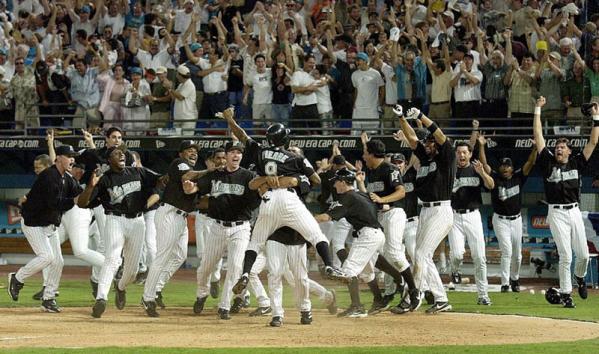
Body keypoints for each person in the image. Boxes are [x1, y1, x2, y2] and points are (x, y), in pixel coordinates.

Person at [218, 107, 346, 293]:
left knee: (255, 243)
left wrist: (230, 120)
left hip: (268, 200)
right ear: (285, 140)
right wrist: (299, 175)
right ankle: (328, 265)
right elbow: (316, 180)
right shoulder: (296, 157)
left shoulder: (261, 152)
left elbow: (243, 135)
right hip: (289, 199)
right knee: (317, 235)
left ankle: (245, 274)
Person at [77, 145, 160, 318]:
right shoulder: (105, 179)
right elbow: (82, 203)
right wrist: (91, 187)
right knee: (112, 259)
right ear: (109, 160)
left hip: (138, 222)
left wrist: (177, 174)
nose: (121, 154)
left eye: (122, 153)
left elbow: (160, 181)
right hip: (115, 220)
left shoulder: (137, 172)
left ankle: (120, 287)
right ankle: (101, 299)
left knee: (132, 271)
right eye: (116, 153)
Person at [533, 97, 598, 308]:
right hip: (557, 212)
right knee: (565, 255)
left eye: (563, 147)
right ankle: (566, 294)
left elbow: (593, 142)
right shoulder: (548, 162)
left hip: (574, 212)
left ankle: (580, 278)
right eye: (558, 147)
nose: (559, 149)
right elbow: (538, 136)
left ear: (569, 151)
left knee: (584, 255)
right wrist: (537, 110)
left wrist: (596, 117)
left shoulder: (577, 162)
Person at [314, 168, 405, 318]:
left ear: (343, 182)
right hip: (374, 234)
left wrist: (305, 220)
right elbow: (381, 206)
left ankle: (357, 306)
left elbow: (326, 217)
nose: (335, 186)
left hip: (368, 235)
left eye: (336, 182)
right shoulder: (361, 194)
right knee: (366, 272)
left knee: (349, 270)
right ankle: (395, 285)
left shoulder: (346, 198)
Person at [187, 141, 258, 320]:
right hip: (217, 227)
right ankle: (202, 294)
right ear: (225, 156)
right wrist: (191, 188)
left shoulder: (249, 176)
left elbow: (256, 199)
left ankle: (224, 305)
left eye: (239, 152)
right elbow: (198, 188)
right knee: (205, 268)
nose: (236, 155)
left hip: (240, 228)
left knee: (234, 267)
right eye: (232, 152)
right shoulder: (215, 175)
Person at [8, 145, 82, 313]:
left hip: (49, 224)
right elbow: (55, 204)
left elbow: (80, 193)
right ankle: (17, 278)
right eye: (69, 156)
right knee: (47, 257)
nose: (72, 159)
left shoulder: (67, 178)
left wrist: (94, 188)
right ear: (59, 158)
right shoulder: (48, 177)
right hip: (33, 223)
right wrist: (75, 201)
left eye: (73, 156)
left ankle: (48, 298)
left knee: (58, 261)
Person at [395, 104, 455, 314]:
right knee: (423, 256)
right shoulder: (426, 157)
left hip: (441, 210)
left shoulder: (446, 156)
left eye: (429, 142)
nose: (426, 144)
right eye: (426, 142)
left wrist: (421, 116)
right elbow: (412, 139)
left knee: (420, 253)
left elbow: (439, 134)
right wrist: (402, 117)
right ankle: (441, 299)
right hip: (426, 212)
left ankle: (414, 296)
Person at [141, 140, 208, 317]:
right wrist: (210, 171)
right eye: (189, 150)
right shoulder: (179, 164)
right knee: (162, 256)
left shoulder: (193, 170)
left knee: (179, 256)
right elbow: (188, 176)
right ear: (181, 153)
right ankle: (148, 298)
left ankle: (155, 289)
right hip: (169, 213)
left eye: (195, 150)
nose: (193, 153)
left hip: (181, 217)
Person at [357, 134, 421, 315]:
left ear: (372, 154)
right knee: (374, 253)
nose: (363, 156)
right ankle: (397, 281)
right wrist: (362, 186)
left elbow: (401, 192)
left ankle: (414, 291)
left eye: (365, 153)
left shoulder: (389, 169)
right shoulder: (370, 171)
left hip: (394, 213)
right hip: (379, 216)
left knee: (393, 252)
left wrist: (382, 199)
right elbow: (371, 197)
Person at [479, 134, 537, 293]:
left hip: (516, 220)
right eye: (503, 166)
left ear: (512, 168)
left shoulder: (518, 177)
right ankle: (505, 283)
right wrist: (482, 146)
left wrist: (535, 147)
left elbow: (531, 162)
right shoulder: (495, 178)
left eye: (508, 166)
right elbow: (484, 165)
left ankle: (515, 279)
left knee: (517, 254)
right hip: (500, 220)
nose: (505, 168)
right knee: (507, 251)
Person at [447, 141, 494, 306]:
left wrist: (482, 173)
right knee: (457, 254)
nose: (461, 155)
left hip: (473, 215)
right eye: (459, 152)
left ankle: (483, 294)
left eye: (464, 152)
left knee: (480, 257)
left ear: (470, 154)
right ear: (455, 154)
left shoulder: (476, 169)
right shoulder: (449, 170)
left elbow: (491, 185)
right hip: (453, 216)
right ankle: (455, 270)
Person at [351, 52, 384, 134]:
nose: (357, 62)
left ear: (366, 61)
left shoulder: (375, 73)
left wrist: (379, 103)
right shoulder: (354, 75)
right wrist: (354, 103)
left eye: (359, 60)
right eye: (356, 60)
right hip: (358, 108)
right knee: (356, 133)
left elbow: (382, 88)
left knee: (371, 134)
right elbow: (356, 90)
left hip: (372, 108)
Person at [168, 65, 197, 136]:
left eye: (177, 74)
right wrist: (169, 89)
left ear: (181, 75)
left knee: (186, 140)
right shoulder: (181, 85)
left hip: (187, 118)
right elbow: (174, 98)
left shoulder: (190, 84)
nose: (177, 77)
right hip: (178, 117)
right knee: (176, 140)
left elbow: (180, 97)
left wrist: (171, 89)